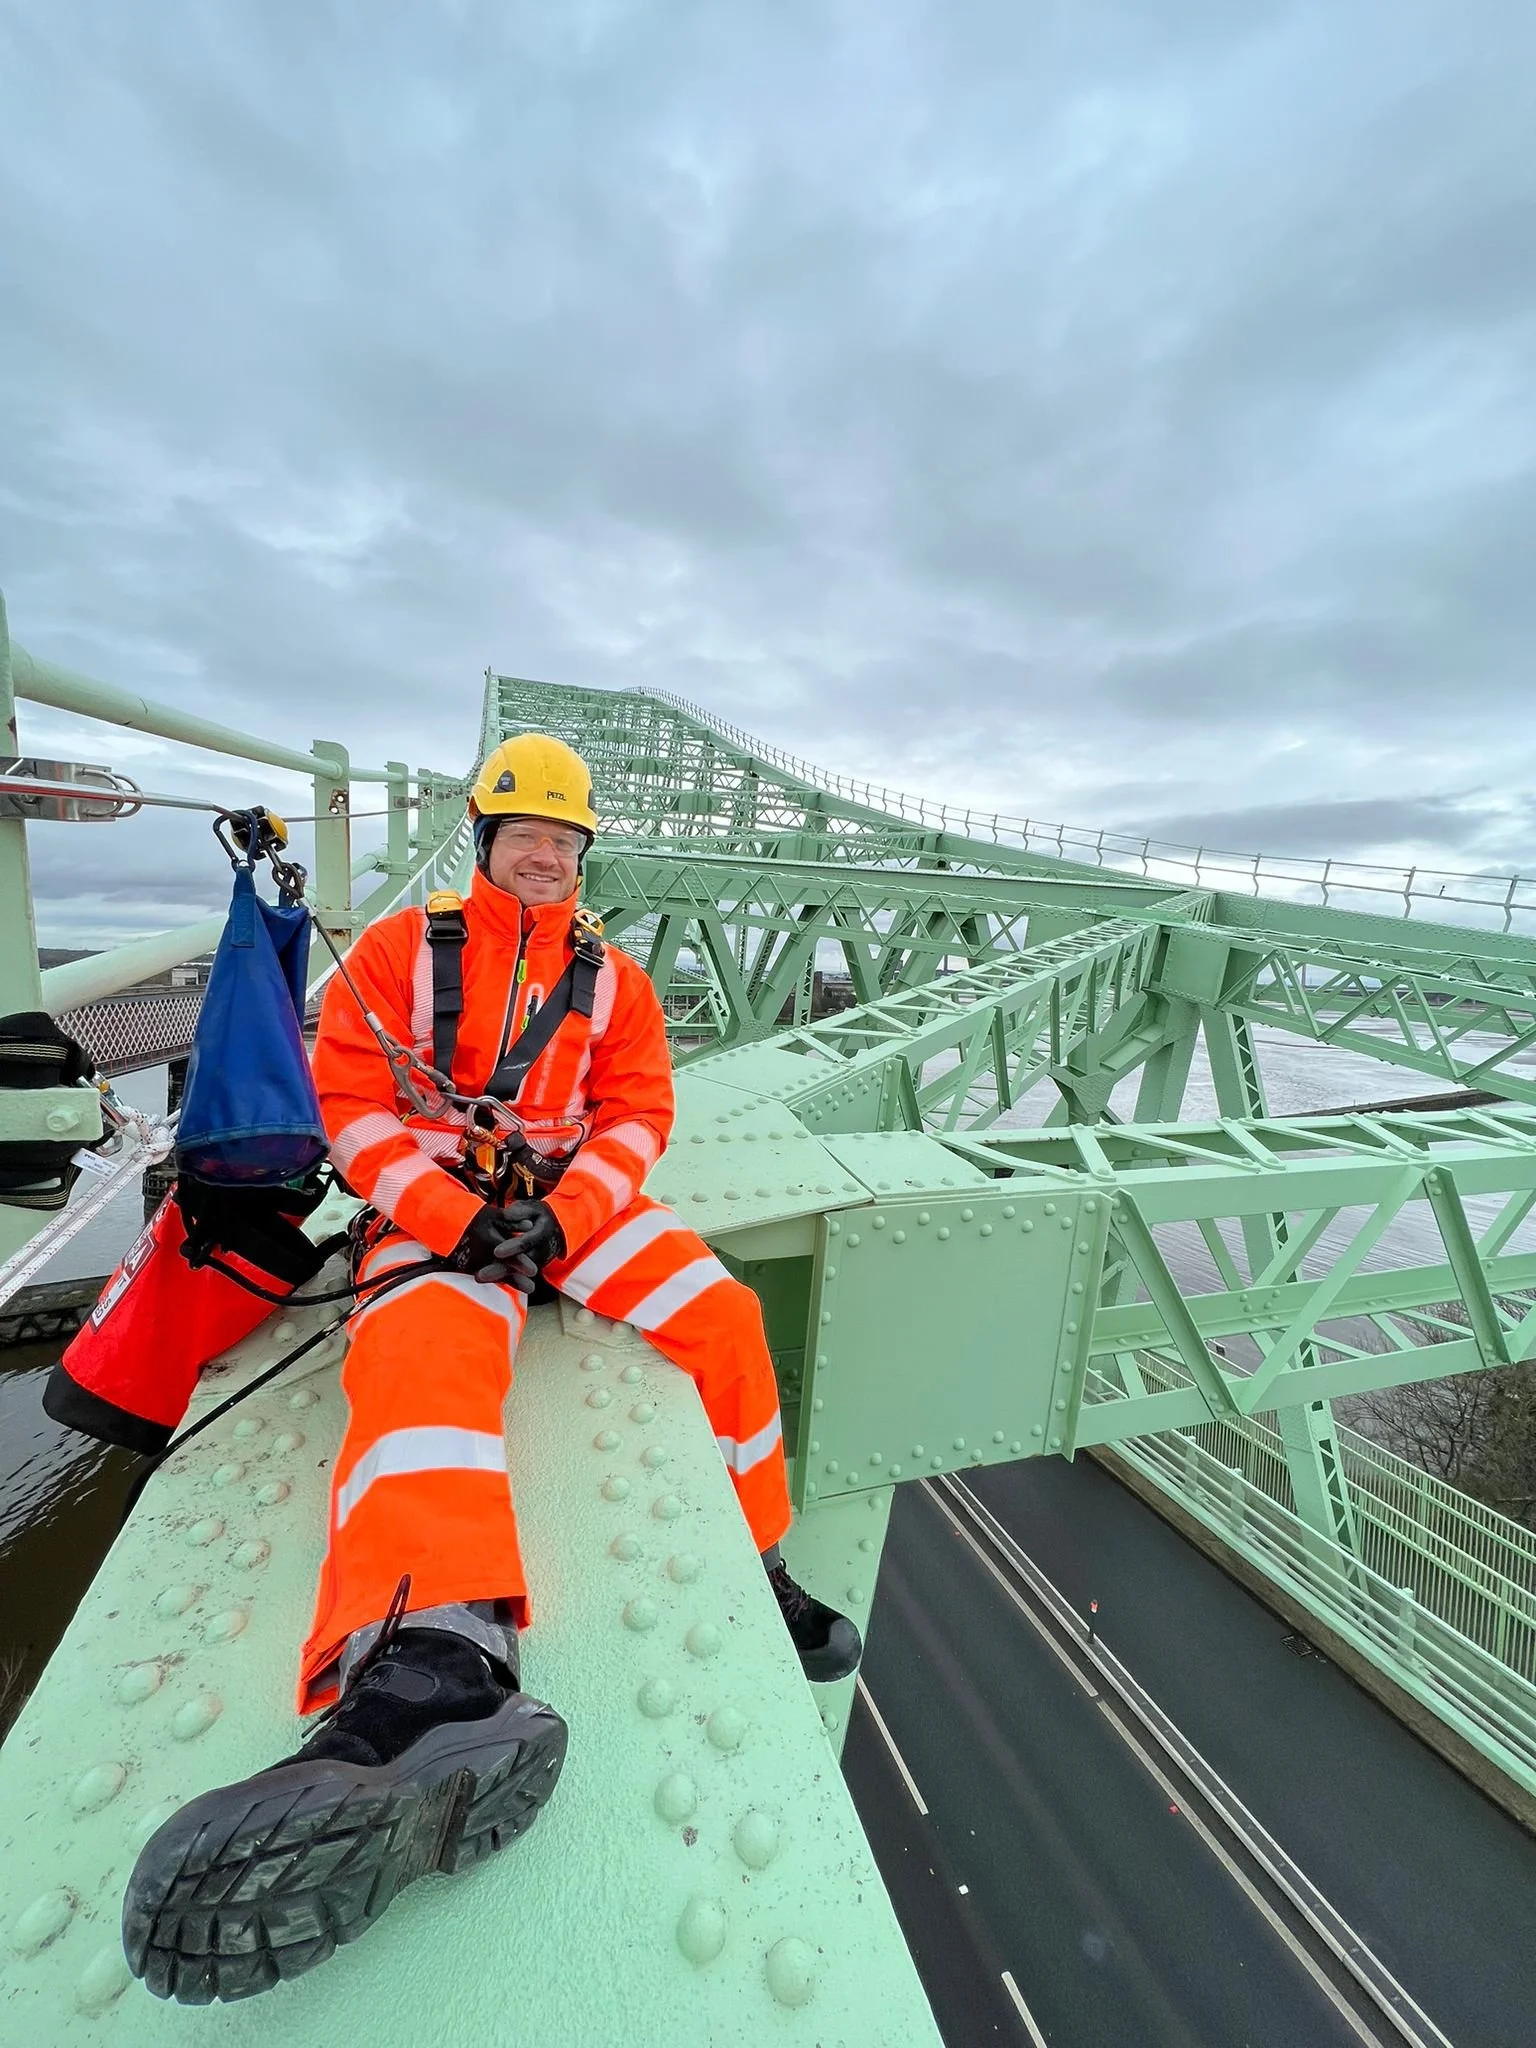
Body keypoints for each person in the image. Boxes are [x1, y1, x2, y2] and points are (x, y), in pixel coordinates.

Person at [122, 732, 861, 2005]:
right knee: (422, 1352)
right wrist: (451, 1215)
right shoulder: (405, 953)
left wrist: (567, 1216)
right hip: (439, 1202)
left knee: (723, 1315)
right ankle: (432, 1660)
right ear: (482, 836)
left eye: (565, 836)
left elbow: (639, 1116)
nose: (546, 849)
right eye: (526, 829)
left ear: (582, 852)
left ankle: (766, 1563)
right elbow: (351, 1106)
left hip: (565, 1200)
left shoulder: (614, 980)